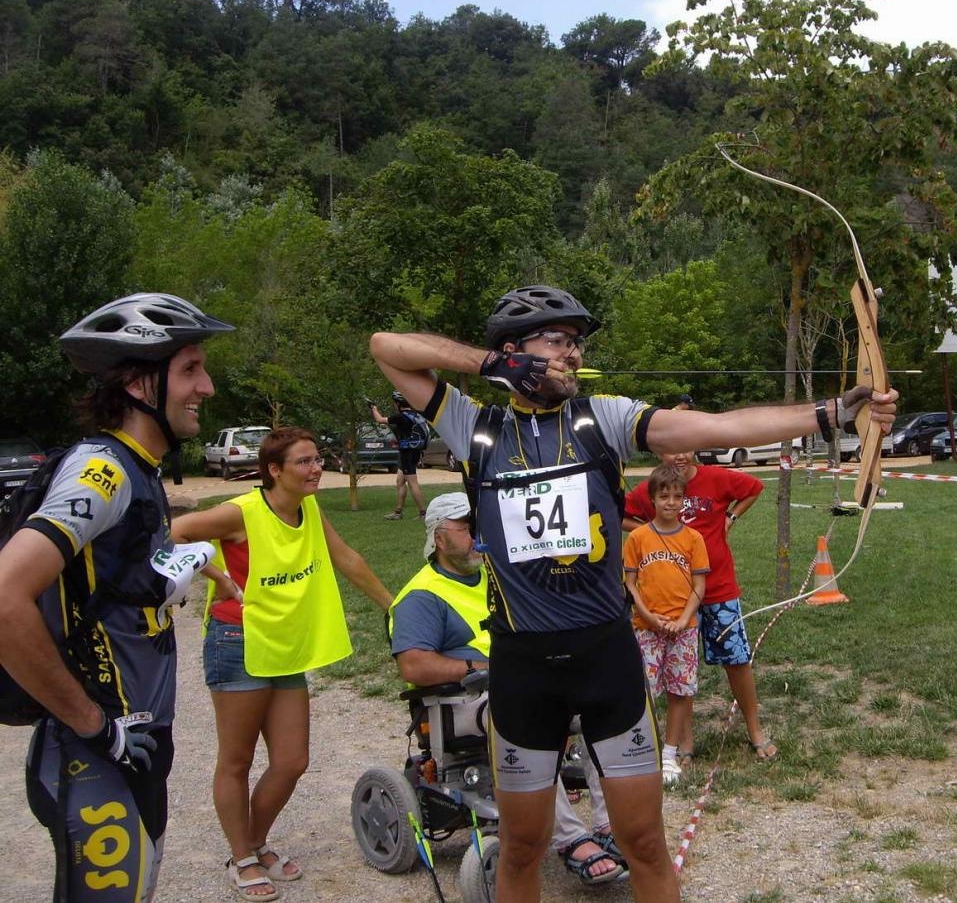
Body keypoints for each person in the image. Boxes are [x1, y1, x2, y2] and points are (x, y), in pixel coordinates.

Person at [369, 284, 898, 903]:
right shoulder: (471, 425)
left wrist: (831, 412)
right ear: (513, 350)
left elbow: (719, 425)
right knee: (521, 849)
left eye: (578, 343)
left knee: (644, 841)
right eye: (558, 341)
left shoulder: (604, 418)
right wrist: (490, 365)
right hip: (523, 665)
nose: (572, 354)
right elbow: (387, 348)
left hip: (606, 658)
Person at [0, 293, 232, 903]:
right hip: (94, 749)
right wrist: (95, 726)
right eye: (190, 369)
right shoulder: (102, 472)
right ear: (136, 381)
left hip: (132, 741)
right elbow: (4, 597)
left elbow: (120, 583)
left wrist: (198, 561)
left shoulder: (140, 470)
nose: (206, 386)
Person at [171, 427, 394, 902]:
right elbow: (173, 533)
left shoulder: (309, 508)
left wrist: (393, 607)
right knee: (237, 759)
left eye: (318, 459)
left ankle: (253, 841)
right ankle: (243, 856)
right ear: (275, 470)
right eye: (304, 462)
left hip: (286, 646)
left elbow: (346, 559)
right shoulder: (242, 512)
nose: (316, 469)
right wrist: (216, 573)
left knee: (292, 760)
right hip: (238, 641)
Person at [389, 493, 627, 886]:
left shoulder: (500, 576)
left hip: (522, 683)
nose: (477, 537)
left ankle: (609, 826)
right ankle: (570, 839)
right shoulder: (422, 595)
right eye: (466, 529)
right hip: (463, 700)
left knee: (601, 707)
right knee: (532, 717)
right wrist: (483, 666)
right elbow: (413, 664)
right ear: (439, 537)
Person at [624, 447, 773, 760]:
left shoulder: (716, 477)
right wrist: (649, 532)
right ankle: (685, 743)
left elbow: (754, 488)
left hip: (718, 589)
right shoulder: (653, 487)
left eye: (686, 448)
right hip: (674, 600)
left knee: (737, 659)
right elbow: (619, 513)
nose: (679, 456)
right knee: (682, 669)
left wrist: (730, 517)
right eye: (671, 450)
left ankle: (754, 729)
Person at [622, 464, 709, 786]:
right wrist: (647, 616)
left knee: (680, 690)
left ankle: (670, 753)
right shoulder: (638, 538)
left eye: (677, 496)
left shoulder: (693, 539)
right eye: (664, 496)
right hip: (646, 627)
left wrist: (684, 620)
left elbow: (699, 586)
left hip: (683, 629)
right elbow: (630, 584)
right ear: (652, 499)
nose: (671, 503)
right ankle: (646, 750)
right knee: (644, 692)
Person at [369, 391, 429, 521]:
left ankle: (424, 514)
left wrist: (373, 408)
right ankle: (398, 512)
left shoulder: (401, 417)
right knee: (400, 481)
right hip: (413, 451)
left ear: (398, 403)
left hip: (408, 453)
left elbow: (380, 420)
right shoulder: (416, 415)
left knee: (412, 483)